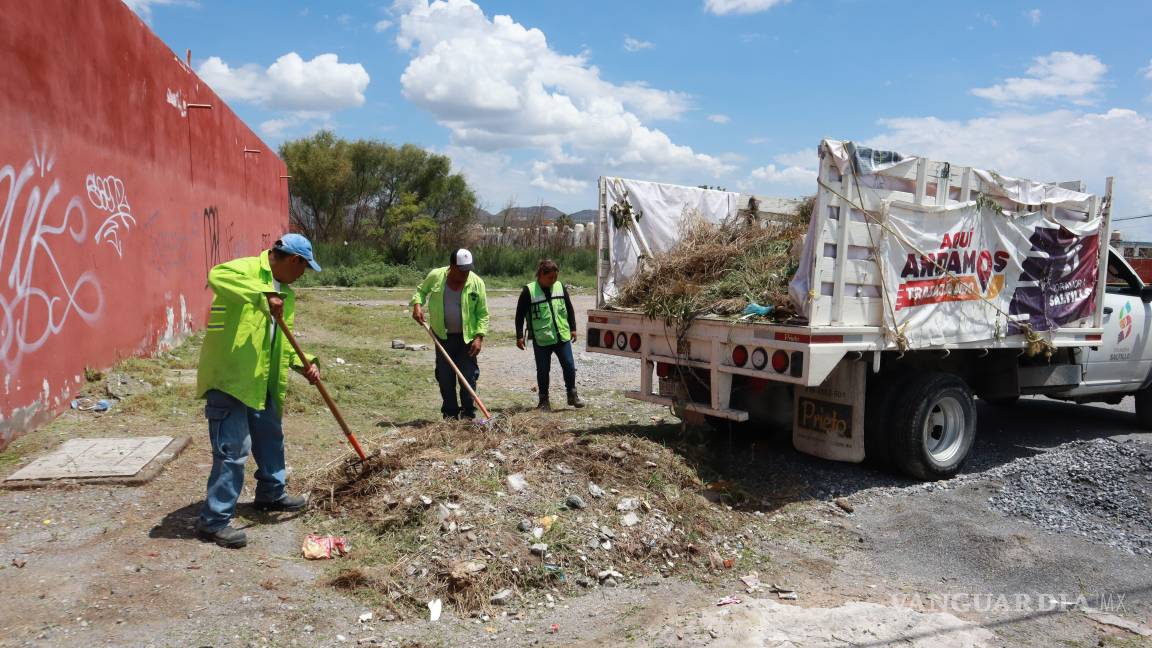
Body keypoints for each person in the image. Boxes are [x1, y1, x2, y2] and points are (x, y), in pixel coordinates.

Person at [194, 234, 322, 549]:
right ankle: (214, 521)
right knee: (233, 450)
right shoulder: (246, 270)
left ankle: (271, 494)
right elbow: (216, 275)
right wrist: (262, 293)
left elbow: (279, 338)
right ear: (294, 260)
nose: (302, 275)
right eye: (304, 268)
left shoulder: (286, 293)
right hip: (230, 378)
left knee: (270, 438)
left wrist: (304, 363)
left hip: (262, 378)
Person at [411, 249, 490, 419]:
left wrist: (479, 337)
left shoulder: (477, 283)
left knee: (468, 378)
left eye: (468, 270)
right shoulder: (436, 276)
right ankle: (450, 416)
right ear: (452, 266)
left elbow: (483, 314)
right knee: (445, 379)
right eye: (462, 270)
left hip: (467, 340)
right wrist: (417, 305)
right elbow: (421, 291)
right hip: (442, 337)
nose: (465, 274)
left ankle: (468, 416)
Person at [516, 259, 586, 410]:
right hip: (542, 339)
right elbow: (519, 315)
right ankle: (543, 401)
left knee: (569, 366)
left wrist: (573, 328)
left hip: (562, 336)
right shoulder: (529, 291)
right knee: (543, 370)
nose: (553, 280)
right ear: (541, 274)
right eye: (550, 277)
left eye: (555, 277)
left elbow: (569, 308)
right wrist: (519, 336)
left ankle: (572, 395)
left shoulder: (560, 286)